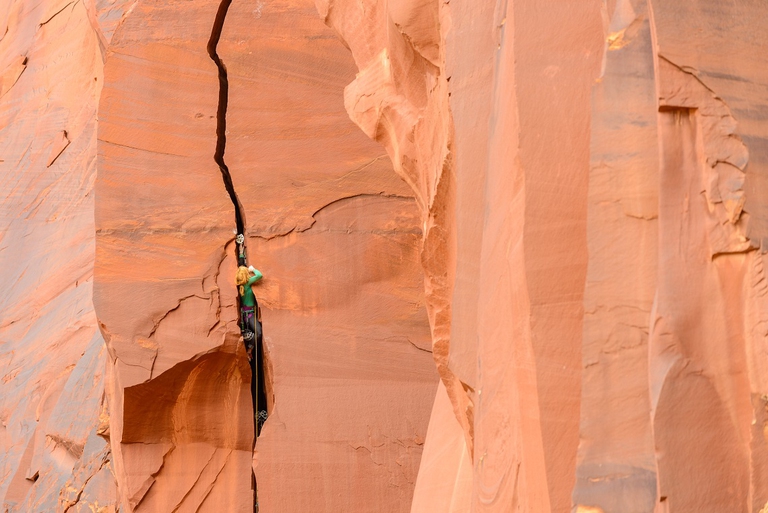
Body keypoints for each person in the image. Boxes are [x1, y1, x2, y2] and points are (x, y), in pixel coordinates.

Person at [236, 265, 263, 359]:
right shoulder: (247, 283)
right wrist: (253, 269)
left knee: (255, 333)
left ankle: (250, 349)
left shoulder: (240, 285)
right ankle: (250, 350)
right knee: (258, 332)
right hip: (250, 314)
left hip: (246, 314)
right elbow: (259, 275)